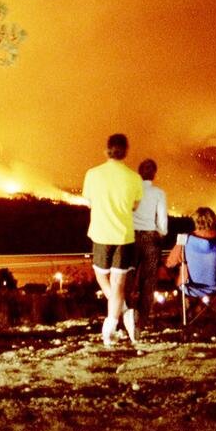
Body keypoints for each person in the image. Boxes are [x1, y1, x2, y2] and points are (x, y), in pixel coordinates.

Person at [82, 133, 144, 345]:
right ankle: (118, 319)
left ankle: (116, 320)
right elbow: (134, 206)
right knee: (118, 285)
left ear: (106, 150)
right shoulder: (134, 178)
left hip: (100, 234)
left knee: (102, 278)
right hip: (124, 236)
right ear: (126, 151)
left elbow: (89, 202)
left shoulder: (92, 174)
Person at [129, 158, 168, 333]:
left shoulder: (130, 191)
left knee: (127, 279)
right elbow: (163, 220)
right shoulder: (159, 193)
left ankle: (125, 316)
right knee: (149, 280)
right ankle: (142, 320)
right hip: (151, 238)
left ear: (139, 173)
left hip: (131, 237)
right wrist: (161, 232)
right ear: (154, 174)